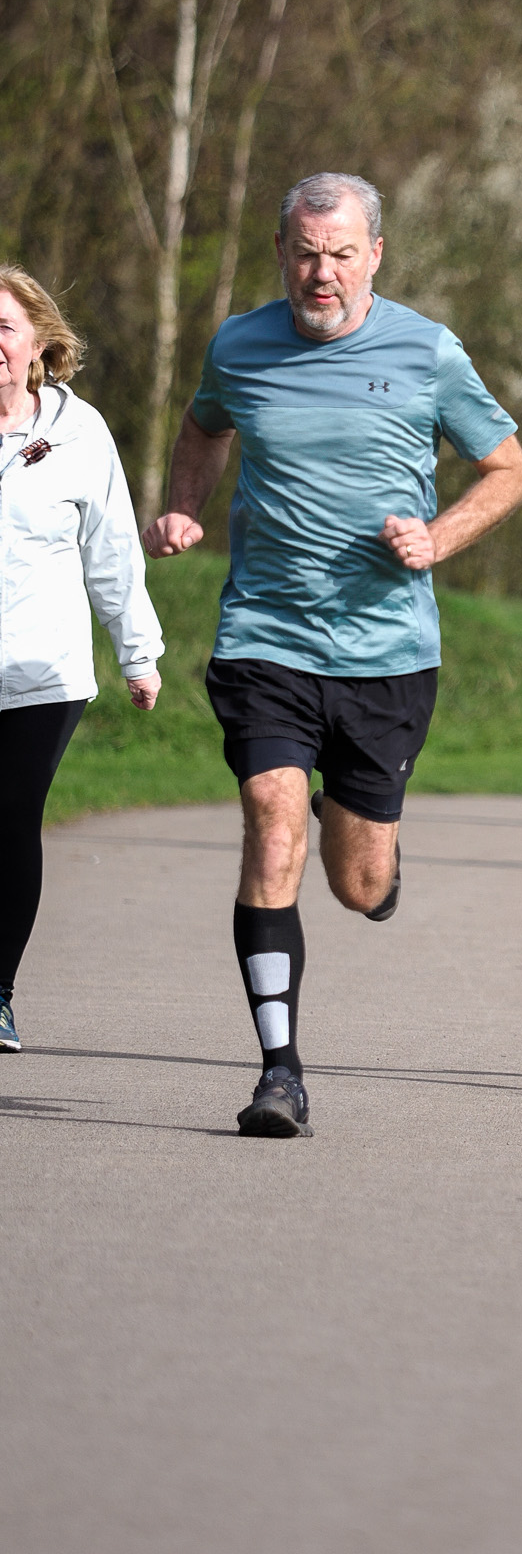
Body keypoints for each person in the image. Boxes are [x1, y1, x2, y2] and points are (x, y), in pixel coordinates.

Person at [143, 173, 522, 1138]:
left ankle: (371, 853)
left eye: (343, 255)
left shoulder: (428, 349)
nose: (324, 274)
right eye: (308, 254)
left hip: (386, 653)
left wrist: (438, 538)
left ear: (375, 256)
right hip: (265, 637)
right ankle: (280, 1071)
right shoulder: (238, 344)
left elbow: (509, 470)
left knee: (358, 886)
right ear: (282, 253)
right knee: (272, 824)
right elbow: (203, 425)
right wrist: (185, 503)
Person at [0, 268, 163, 1053]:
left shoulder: (79, 432)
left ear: (38, 342)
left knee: (9, 820)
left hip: (41, 672)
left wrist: (139, 652)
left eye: (2, 327)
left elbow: (113, 551)